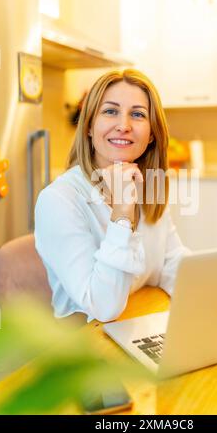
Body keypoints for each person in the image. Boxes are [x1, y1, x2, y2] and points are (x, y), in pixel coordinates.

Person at [34, 69, 191, 323]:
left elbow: (171, 265)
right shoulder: (58, 200)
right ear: (88, 126)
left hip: (136, 324)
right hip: (84, 343)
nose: (124, 126)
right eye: (110, 111)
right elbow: (103, 307)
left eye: (138, 114)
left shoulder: (146, 187)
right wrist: (121, 216)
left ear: (151, 134)